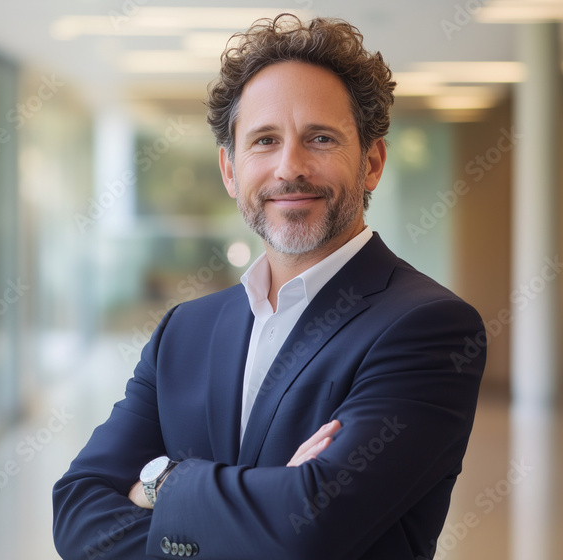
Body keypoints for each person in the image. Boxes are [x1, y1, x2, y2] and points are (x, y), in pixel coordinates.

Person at [52, 13, 486, 560]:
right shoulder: (184, 331)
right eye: (264, 141)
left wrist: (161, 483)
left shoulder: (428, 327)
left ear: (372, 162)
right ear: (230, 170)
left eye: (320, 138)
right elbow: (77, 513)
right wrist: (266, 503)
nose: (290, 168)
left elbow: (308, 530)